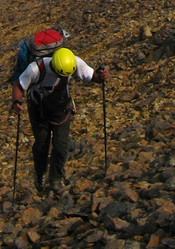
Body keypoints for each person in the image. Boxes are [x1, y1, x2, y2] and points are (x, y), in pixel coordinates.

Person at [11, 46, 108, 196]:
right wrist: (17, 101)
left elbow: (92, 76)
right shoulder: (36, 69)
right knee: (42, 144)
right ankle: (40, 173)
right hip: (39, 110)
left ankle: (56, 179)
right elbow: (18, 84)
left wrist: (101, 76)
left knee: (61, 146)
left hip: (60, 110)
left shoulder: (74, 63)